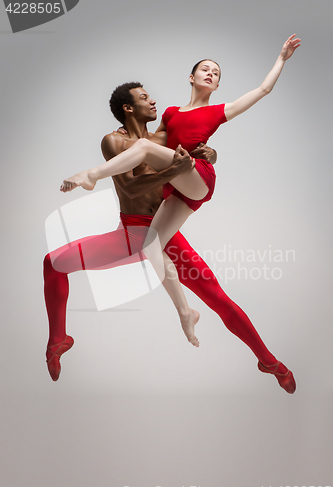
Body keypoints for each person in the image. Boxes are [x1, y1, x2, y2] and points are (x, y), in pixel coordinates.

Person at [60, 35, 300, 379]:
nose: (210, 74)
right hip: (177, 191)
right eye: (204, 69)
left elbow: (262, 91)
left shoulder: (218, 111)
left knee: (141, 151)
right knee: (150, 244)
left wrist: (281, 58)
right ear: (191, 77)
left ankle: (90, 176)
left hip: (197, 175)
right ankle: (188, 314)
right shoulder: (171, 114)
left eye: (216, 73)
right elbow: (154, 146)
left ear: (217, 86)